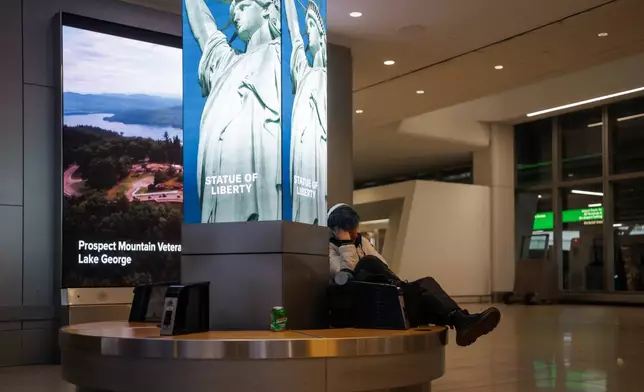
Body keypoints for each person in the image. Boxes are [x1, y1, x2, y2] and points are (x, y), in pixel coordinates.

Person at [328, 203, 501, 347]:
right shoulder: (328, 249)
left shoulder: (362, 242)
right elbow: (346, 276)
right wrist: (346, 243)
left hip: (383, 295)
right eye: (350, 231)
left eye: (355, 230)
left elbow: (384, 266)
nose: (355, 235)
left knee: (426, 283)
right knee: (368, 262)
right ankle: (459, 320)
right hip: (362, 304)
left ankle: (461, 320)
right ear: (336, 230)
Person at [185, 0, 282, 223]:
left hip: (263, 179)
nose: (236, 15)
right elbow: (204, 27)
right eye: (233, 10)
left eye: (243, 6)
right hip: (223, 184)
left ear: (267, 8)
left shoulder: (279, 56)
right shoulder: (227, 63)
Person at [284, 0, 328, 225]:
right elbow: (293, 32)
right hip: (300, 156)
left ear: (321, 35)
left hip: (316, 157)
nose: (305, 29)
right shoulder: (304, 72)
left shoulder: (326, 79)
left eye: (309, 25)